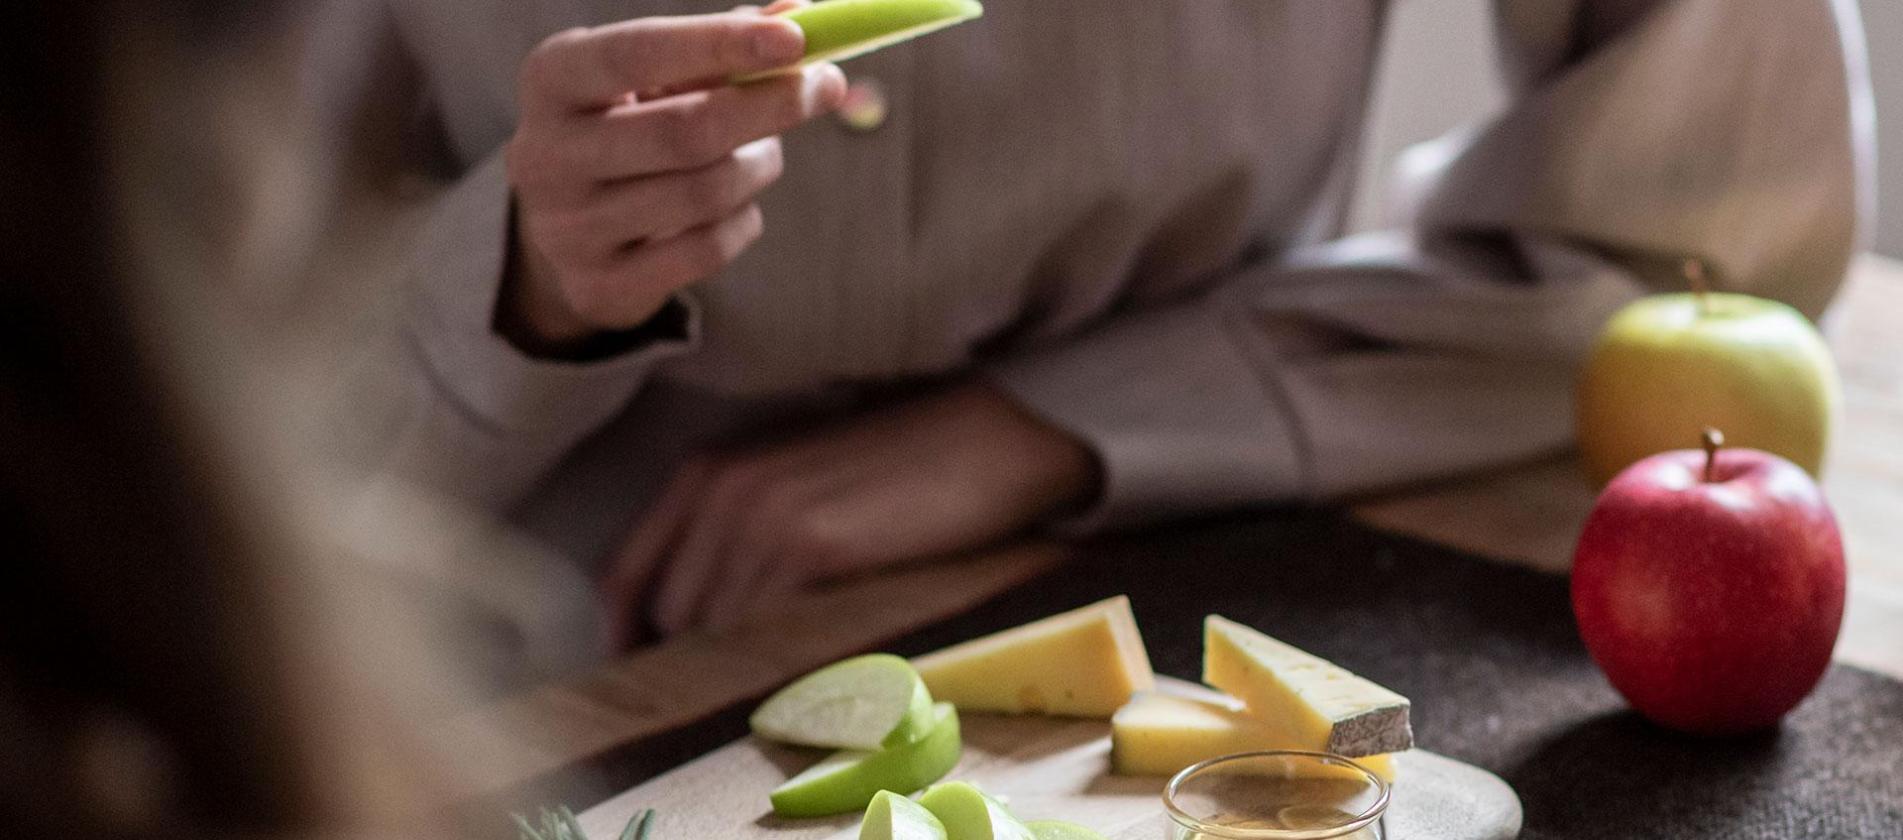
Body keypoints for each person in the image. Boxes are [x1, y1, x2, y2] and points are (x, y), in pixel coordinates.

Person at [310, 0, 1872, 659]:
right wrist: (513, 282)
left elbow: (1703, 231)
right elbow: (135, 357)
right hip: (439, 657)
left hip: (1214, 613)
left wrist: (1057, 429)